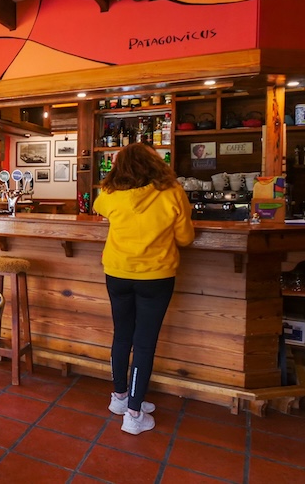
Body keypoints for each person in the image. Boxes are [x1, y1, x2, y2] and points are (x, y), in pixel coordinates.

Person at [92, 143, 194, 435]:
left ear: (120, 166)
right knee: (145, 342)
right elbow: (185, 238)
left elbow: (99, 208)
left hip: (117, 273)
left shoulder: (111, 195)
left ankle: (120, 399)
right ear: (156, 164)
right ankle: (134, 415)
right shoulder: (173, 192)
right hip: (156, 276)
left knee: (122, 335)